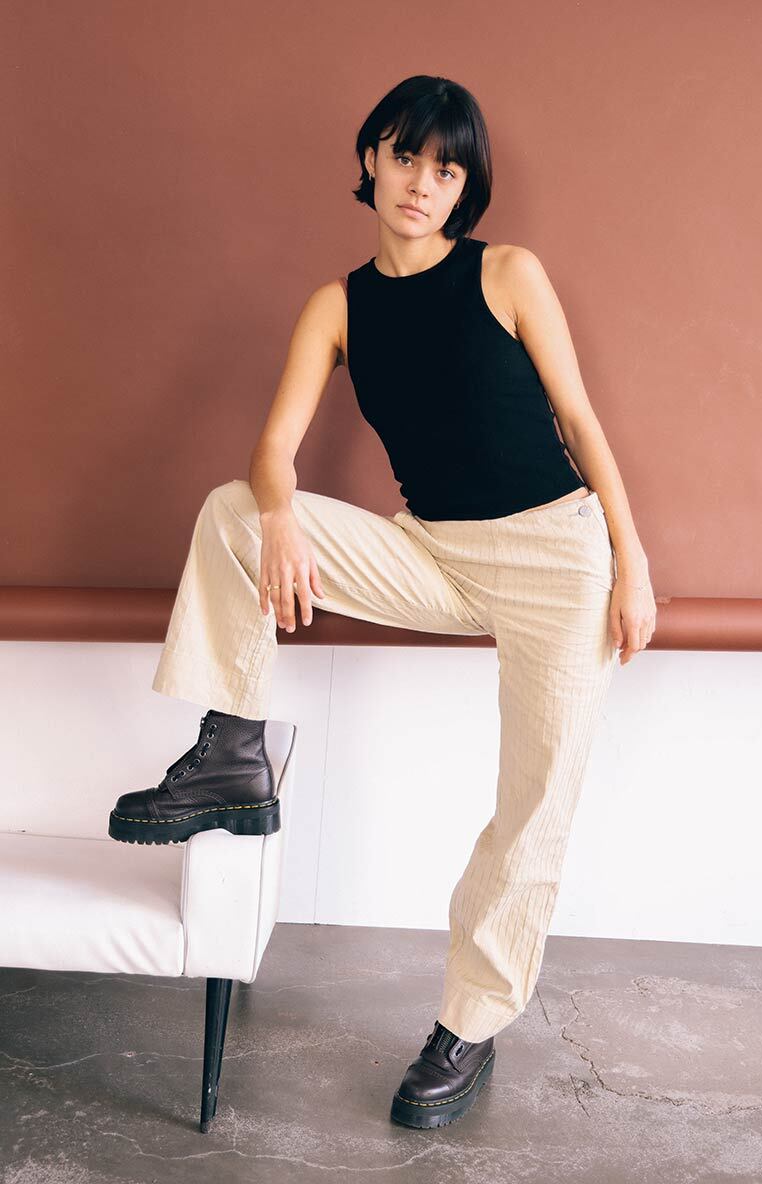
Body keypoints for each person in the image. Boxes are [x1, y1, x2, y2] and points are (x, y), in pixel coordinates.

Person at [108, 74, 656, 1129]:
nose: (421, 184)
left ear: (464, 186)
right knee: (232, 509)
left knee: (534, 802)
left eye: (445, 169)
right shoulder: (338, 304)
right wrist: (278, 513)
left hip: (555, 560)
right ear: (371, 159)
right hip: (432, 550)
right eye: (405, 157)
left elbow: (580, 422)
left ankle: (468, 1025)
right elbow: (274, 448)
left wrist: (629, 563)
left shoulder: (507, 273)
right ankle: (230, 750)